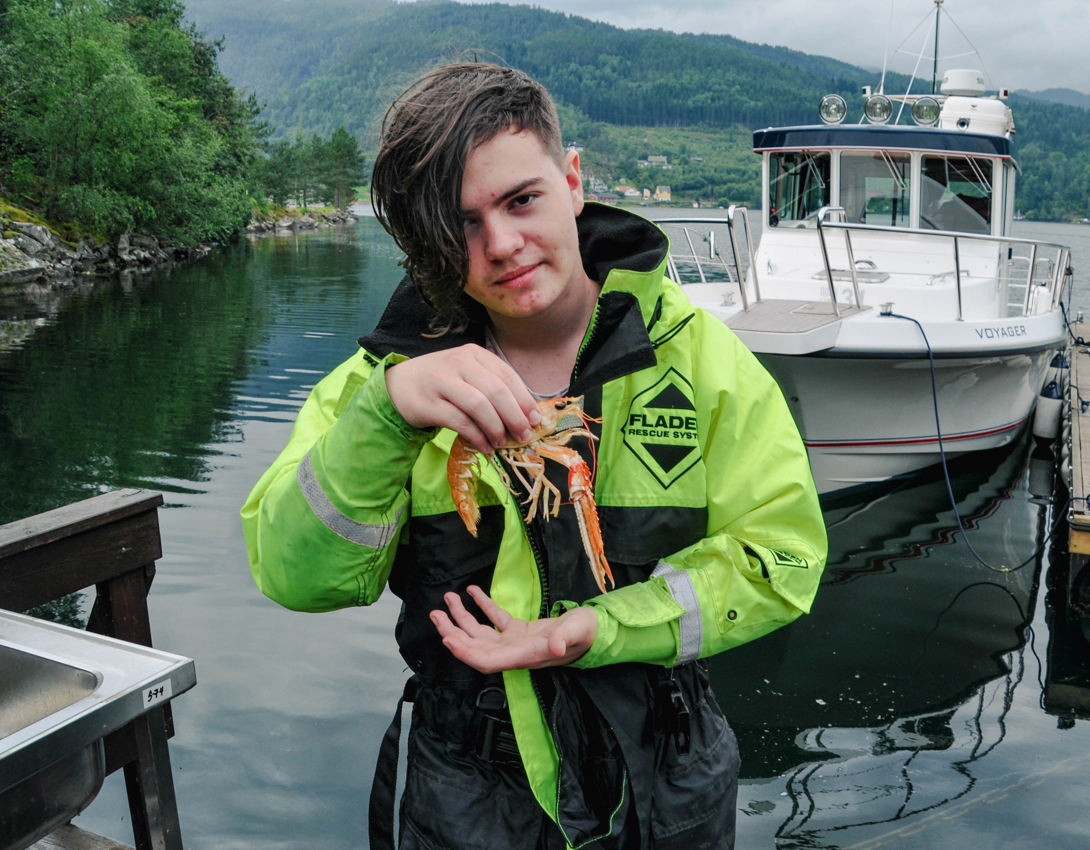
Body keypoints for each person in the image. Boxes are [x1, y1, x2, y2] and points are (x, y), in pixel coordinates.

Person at [240, 61, 826, 850]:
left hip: (668, 769)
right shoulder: (380, 386)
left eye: (522, 201)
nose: (503, 245)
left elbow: (781, 559)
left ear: (573, 179)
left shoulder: (701, 361)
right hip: (466, 784)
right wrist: (387, 417)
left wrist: (596, 629)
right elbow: (292, 576)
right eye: (463, 225)